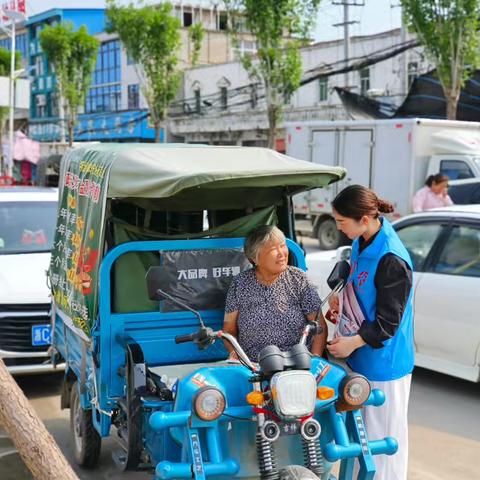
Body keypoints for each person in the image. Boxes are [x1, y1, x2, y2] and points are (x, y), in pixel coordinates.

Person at [326, 185, 413, 480]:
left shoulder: (391, 258)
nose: (338, 228)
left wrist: (352, 342)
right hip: (360, 358)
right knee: (359, 444)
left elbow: (389, 323)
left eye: (341, 222)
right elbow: (358, 283)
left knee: (382, 444)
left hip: (383, 365)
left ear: (364, 219)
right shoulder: (361, 241)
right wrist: (342, 299)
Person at [223, 225, 326, 361]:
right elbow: (228, 331)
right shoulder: (240, 284)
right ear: (254, 258)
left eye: (282, 246)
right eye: (273, 249)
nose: (282, 253)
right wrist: (235, 354)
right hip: (254, 365)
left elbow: (319, 326)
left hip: (297, 362)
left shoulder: (298, 279)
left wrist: (315, 360)